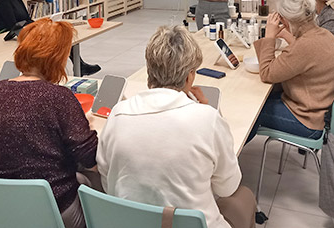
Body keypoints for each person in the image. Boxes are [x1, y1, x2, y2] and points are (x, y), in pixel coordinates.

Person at [97, 26, 256, 228]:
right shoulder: (207, 119)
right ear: (190, 76)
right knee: (244, 198)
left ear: (149, 70)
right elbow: (227, 187)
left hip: (129, 222)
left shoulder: (118, 114)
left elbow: (106, 179)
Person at [0, 17, 98, 228]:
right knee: (92, 187)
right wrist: (88, 126)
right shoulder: (60, 97)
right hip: (51, 205)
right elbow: (90, 157)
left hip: (1, 202)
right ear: (57, 59)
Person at [247, 0, 334, 142]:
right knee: (263, 99)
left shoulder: (305, 46)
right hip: (323, 111)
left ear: (286, 20)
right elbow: (304, 54)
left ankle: (230, 157)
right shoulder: (323, 34)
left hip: (309, 121)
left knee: (250, 110)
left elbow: (267, 73)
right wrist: (287, 34)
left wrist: (269, 37)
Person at [0, 0, 101, 76]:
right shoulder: (2, 2)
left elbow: (27, 19)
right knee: (54, 38)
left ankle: (79, 65)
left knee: (61, 34)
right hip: (12, 36)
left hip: (24, 32)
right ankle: (69, 68)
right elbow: (12, 25)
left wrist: (41, 24)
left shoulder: (18, 0)